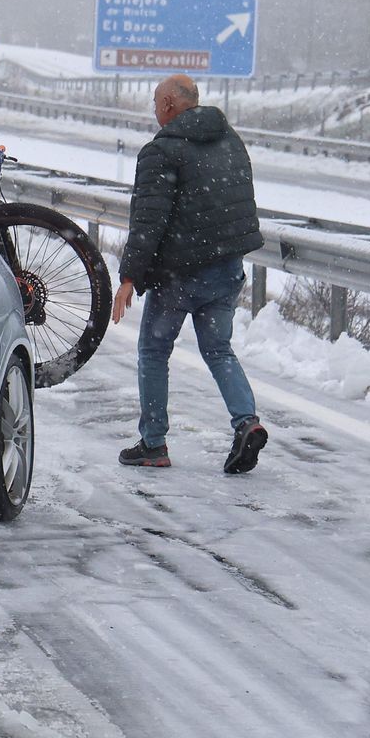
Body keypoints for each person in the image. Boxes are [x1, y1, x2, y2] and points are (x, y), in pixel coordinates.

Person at [112, 74, 267, 473]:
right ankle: (246, 421)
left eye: (154, 101)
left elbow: (149, 220)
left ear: (167, 104)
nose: (153, 108)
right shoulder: (229, 138)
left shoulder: (161, 152)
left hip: (180, 274)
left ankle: (153, 443)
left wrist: (129, 277)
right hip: (227, 267)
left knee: (153, 351)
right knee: (218, 350)